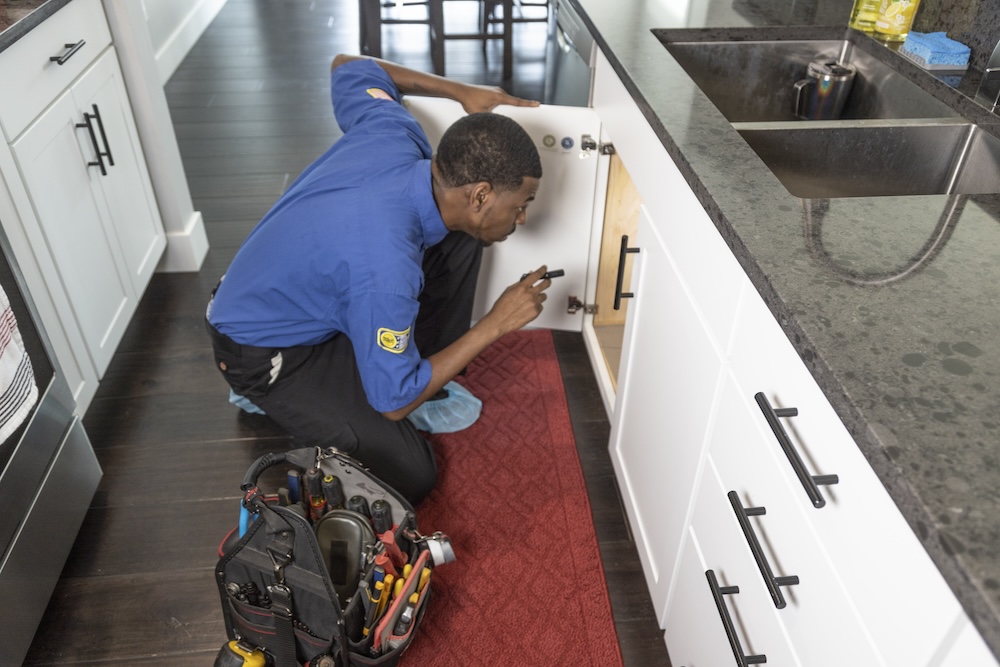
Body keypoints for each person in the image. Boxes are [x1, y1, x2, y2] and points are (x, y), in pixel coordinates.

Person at [206, 53, 552, 504]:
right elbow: (392, 404)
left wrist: (459, 92)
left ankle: (408, 371)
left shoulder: (393, 131)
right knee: (413, 472)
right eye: (522, 203)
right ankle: (274, 400)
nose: (523, 217)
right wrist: (496, 323)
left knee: (463, 238)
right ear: (481, 194)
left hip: (297, 291)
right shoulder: (387, 272)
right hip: (262, 350)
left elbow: (347, 65)